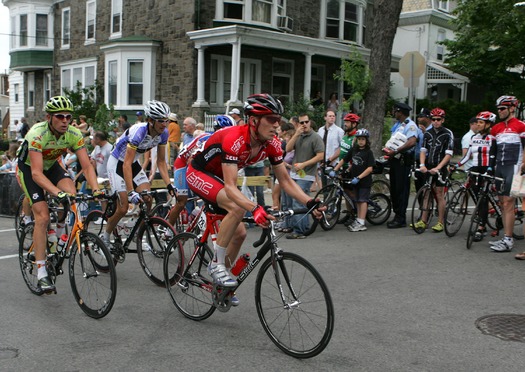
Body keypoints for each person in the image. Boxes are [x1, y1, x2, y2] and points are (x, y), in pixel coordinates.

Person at [186, 94, 323, 303]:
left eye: (278, 119)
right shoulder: (235, 138)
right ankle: (216, 263)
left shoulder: (272, 144)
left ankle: (221, 283)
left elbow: (285, 181)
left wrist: (309, 202)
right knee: (238, 208)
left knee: (240, 234)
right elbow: (231, 188)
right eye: (271, 119)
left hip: (221, 178)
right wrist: (255, 207)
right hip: (199, 173)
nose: (276, 125)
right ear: (253, 120)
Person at [16, 96, 102, 293]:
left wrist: (96, 189)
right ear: (49, 117)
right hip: (29, 169)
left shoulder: (73, 133)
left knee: (72, 194)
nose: (65, 121)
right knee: (43, 216)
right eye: (60, 117)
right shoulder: (37, 134)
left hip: (51, 166)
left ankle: (58, 239)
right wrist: (56, 192)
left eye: (68, 117)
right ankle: (41, 273)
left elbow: (87, 165)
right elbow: (37, 173)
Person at [100, 100, 176, 247]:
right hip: (117, 163)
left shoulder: (163, 134)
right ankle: (105, 237)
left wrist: (169, 185)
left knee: (147, 199)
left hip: (132, 164)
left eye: (166, 120)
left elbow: (160, 162)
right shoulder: (139, 132)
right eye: (160, 121)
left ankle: (135, 231)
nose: (164, 124)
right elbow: (126, 164)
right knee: (123, 207)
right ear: (150, 120)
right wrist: (130, 192)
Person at [168, 115, 235, 228]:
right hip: (182, 164)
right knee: (182, 201)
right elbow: (191, 162)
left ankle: (195, 216)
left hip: (195, 166)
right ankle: (168, 229)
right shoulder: (206, 140)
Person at [451, 111, 497, 242]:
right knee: (478, 198)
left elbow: (494, 156)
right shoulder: (474, 138)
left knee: (483, 198)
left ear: (488, 124)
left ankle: (481, 227)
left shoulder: (492, 138)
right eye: (477, 122)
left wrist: (490, 169)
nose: (478, 125)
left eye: (481, 122)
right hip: (475, 168)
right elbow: (467, 156)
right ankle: (483, 218)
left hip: (487, 169)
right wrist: (457, 165)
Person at [488, 96, 525, 252]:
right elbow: (493, 151)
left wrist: (523, 164)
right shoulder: (496, 128)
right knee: (502, 203)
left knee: (509, 202)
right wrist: (490, 168)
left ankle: (508, 239)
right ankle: (506, 237)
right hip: (500, 168)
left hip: (514, 168)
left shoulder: (521, 126)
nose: (499, 111)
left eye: (502, 108)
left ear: (512, 108)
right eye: (498, 108)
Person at [285, 112, 325, 239]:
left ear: (310, 122)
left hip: (307, 174)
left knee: (298, 202)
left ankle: (299, 231)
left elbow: (320, 156)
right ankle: (302, 226)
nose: (304, 125)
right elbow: (288, 149)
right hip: (294, 173)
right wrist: (296, 134)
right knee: (294, 201)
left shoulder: (316, 137)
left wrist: (304, 164)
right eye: (301, 123)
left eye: (306, 122)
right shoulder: (299, 135)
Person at [415, 108, 454, 232]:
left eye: (438, 120)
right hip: (428, 166)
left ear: (442, 120)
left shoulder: (447, 133)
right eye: (433, 119)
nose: (436, 122)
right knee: (426, 193)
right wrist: (422, 164)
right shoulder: (427, 133)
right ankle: (423, 220)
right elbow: (423, 151)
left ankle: (440, 222)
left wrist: (439, 167)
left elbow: (449, 154)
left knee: (439, 194)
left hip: (440, 167)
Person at [383, 102, 418, 228]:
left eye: (395, 111)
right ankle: (397, 214)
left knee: (401, 189)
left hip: (403, 161)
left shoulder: (411, 125)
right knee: (395, 189)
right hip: (395, 160)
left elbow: (412, 142)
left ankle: (401, 218)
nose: (394, 113)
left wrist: (396, 151)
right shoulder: (398, 125)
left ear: (400, 112)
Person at [334, 129, 375, 232]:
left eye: (363, 139)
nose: (361, 141)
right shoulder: (354, 150)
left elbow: (370, 168)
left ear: (366, 140)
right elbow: (344, 160)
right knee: (357, 200)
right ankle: (358, 219)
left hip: (364, 180)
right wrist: (335, 169)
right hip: (354, 179)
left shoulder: (368, 152)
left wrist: (359, 177)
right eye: (359, 139)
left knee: (362, 200)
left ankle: (362, 222)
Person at [318, 110, 344, 186]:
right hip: (322, 163)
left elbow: (341, 147)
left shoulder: (339, 131)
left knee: (331, 185)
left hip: (333, 163)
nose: (332, 118)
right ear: (325, 117)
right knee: (324, 186)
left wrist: (332, 158)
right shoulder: (321, 130)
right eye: (330, 116)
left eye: (333, 116)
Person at [414, 108, 432, 193]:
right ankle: (421, 204)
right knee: (418, 185)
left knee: (427, 185)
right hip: (418, 160)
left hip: (428, 160)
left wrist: (426, 133)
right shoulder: (418, 129)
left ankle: (427, 205)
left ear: (428, 118)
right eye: (418, 116)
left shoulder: (432, 129)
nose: (419, 119)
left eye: (421, 116)